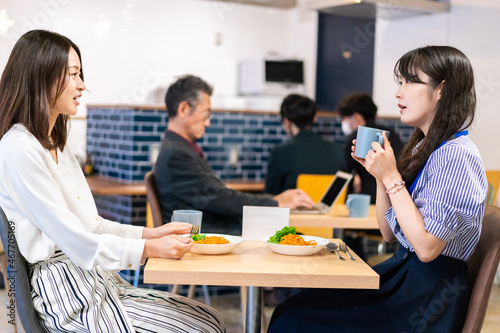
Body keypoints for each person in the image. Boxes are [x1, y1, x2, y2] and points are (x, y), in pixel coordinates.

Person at [0, 30, 225, 333]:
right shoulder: (19, 148)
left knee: (212, 319)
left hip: (94, 279)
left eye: (80, 74)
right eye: (73, 75)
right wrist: (150, 249)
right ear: (41, 76)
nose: (82, 85)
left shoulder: (56, 144)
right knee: (203, 328)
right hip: (65, 293)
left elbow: (92, 226)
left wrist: (152, 234)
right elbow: (76, 241)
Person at [268, 45, 487, 332]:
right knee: (289, 308)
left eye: (411, 81)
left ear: (442, 90)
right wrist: (379, 175)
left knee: (293, 320)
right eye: (401, 82)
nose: (399, 92)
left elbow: (426, 248)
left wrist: (392, 177)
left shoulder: (457, 155)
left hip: (425, 294)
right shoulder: (426, 147)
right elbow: (388, 232)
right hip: (405, 276)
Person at [154, 75, 314, 235]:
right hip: (213, 236)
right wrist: (275, 202)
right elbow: (221, 199)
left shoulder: (178, 148)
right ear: (183, 109)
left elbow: (219, 196)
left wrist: (274, 201)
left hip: (222, 231)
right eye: (205, 114)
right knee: (305, 244)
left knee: (301, 240)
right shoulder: (176, 154)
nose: (207, 123)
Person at [265, 94, 346, 195]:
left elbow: (270, 197)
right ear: (314, 119)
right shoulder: (338, 150)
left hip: (294, 210)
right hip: (334, 211)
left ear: (286, 121)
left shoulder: (279, 152)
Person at [337, 92, 405, 203]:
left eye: (345, 118)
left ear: (356, 117)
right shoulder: (391, 133)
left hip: (371, 202)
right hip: (398, 197)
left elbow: (344, 171)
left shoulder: (358, 137)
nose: (344, 122)